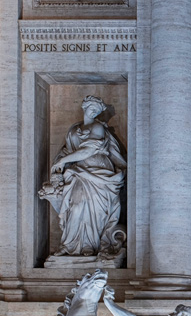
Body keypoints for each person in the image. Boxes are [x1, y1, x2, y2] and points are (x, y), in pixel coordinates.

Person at [41, 96, 127, 258]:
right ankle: (70, 245)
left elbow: (88, 151)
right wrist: (58, 166)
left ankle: (90, 245)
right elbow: (67, 151)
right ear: (84, 107)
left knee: (94, 210)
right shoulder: (74, 129)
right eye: (92, 107)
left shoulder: (98, 128)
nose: (94, 111)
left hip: (97, 172)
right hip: (77, 173)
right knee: (76, 206)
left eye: (98, 110)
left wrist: (64, 160)